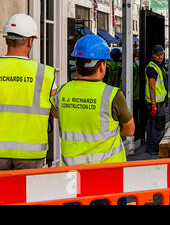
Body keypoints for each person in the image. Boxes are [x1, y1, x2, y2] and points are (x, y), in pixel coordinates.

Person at [50, 35, 135, 166]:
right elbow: (129, 130)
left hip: (73, 175)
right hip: (107, 173)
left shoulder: (61, 92)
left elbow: (56, 114)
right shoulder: (113, 95)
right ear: (102, 65)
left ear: (77, 65)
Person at [0, 14, 56, 170]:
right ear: (30, 41)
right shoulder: (44, 74)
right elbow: (57, 112)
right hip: (31, 155)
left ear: (6, 40)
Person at [145, 45, 170, 155]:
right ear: (153, 55)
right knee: (158, 126)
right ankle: (154, 148)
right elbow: (152, 87)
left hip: (158, 102)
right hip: (156, 103)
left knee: (152, 125)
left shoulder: (158, 66)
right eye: (158, 54)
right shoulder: (152, 68)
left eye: (162, 54)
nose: (160, 57)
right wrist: (154, 105)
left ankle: (150, 147)